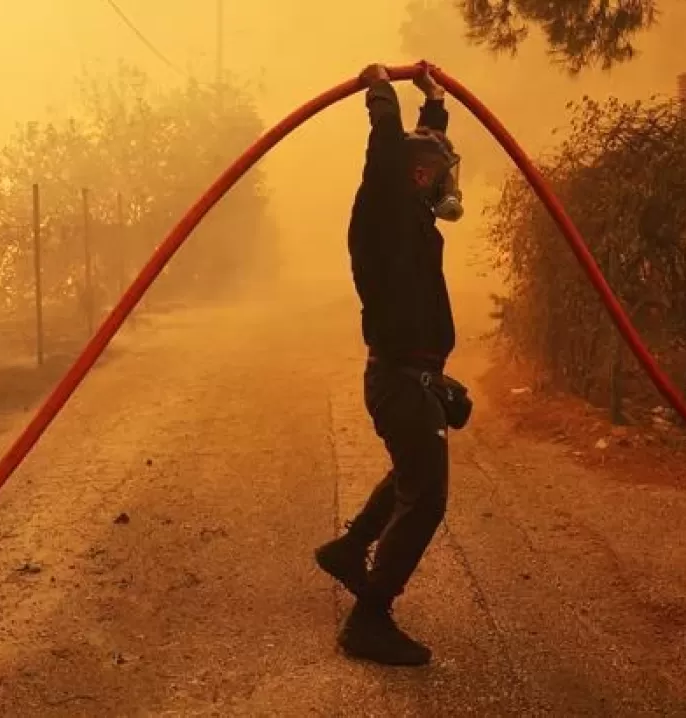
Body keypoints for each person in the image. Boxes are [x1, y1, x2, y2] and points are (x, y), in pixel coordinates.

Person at [313, 62, 466, 667]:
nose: (446, 185)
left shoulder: (410, 214)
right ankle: (368, 619)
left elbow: (413, 157)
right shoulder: (382, 212)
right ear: (418, 176)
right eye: (438, 175)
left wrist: (435, 104)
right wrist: (381, 95)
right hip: (397, 379)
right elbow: (389, 159)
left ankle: (351, 549)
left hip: (413, 375)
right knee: (425, 497)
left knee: (412, 472)